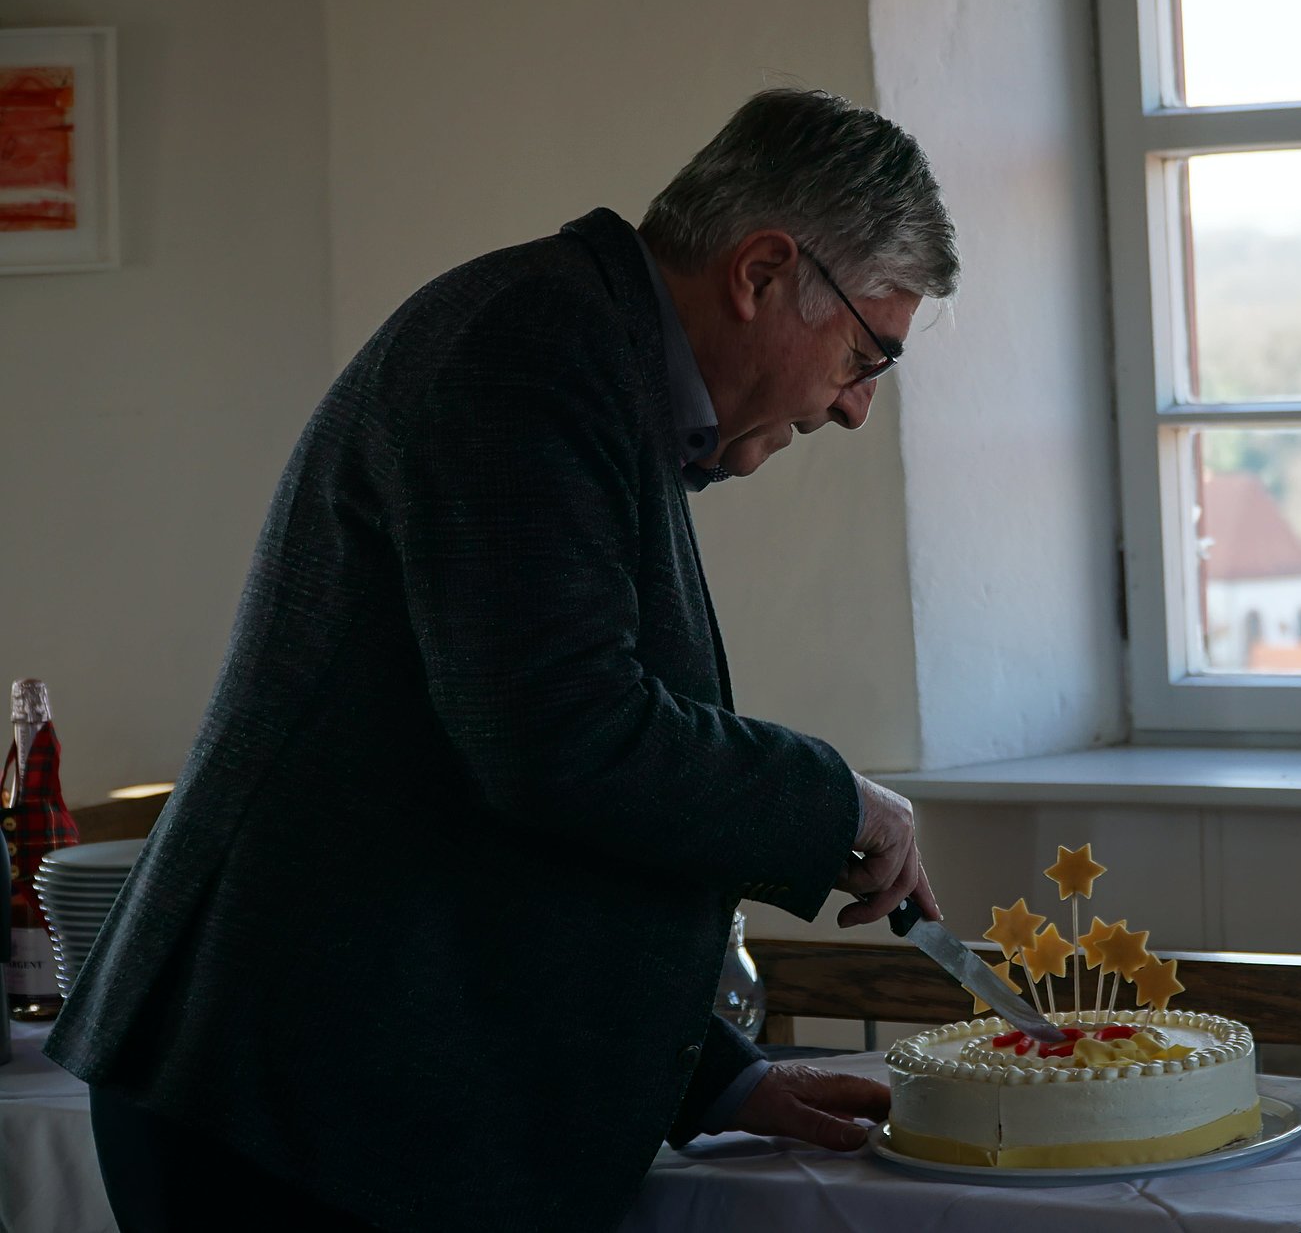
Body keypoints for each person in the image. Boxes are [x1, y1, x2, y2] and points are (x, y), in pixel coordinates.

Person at [44, 88, 958, 1233]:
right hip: (297, 1107)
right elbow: (556, 735)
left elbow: (506, 838)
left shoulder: (583, 350)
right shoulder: (531, 347)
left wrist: (717, 1076)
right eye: (869, 350)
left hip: (341, 1090)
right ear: (762, 272)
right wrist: (835, 801)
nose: (861, 405)